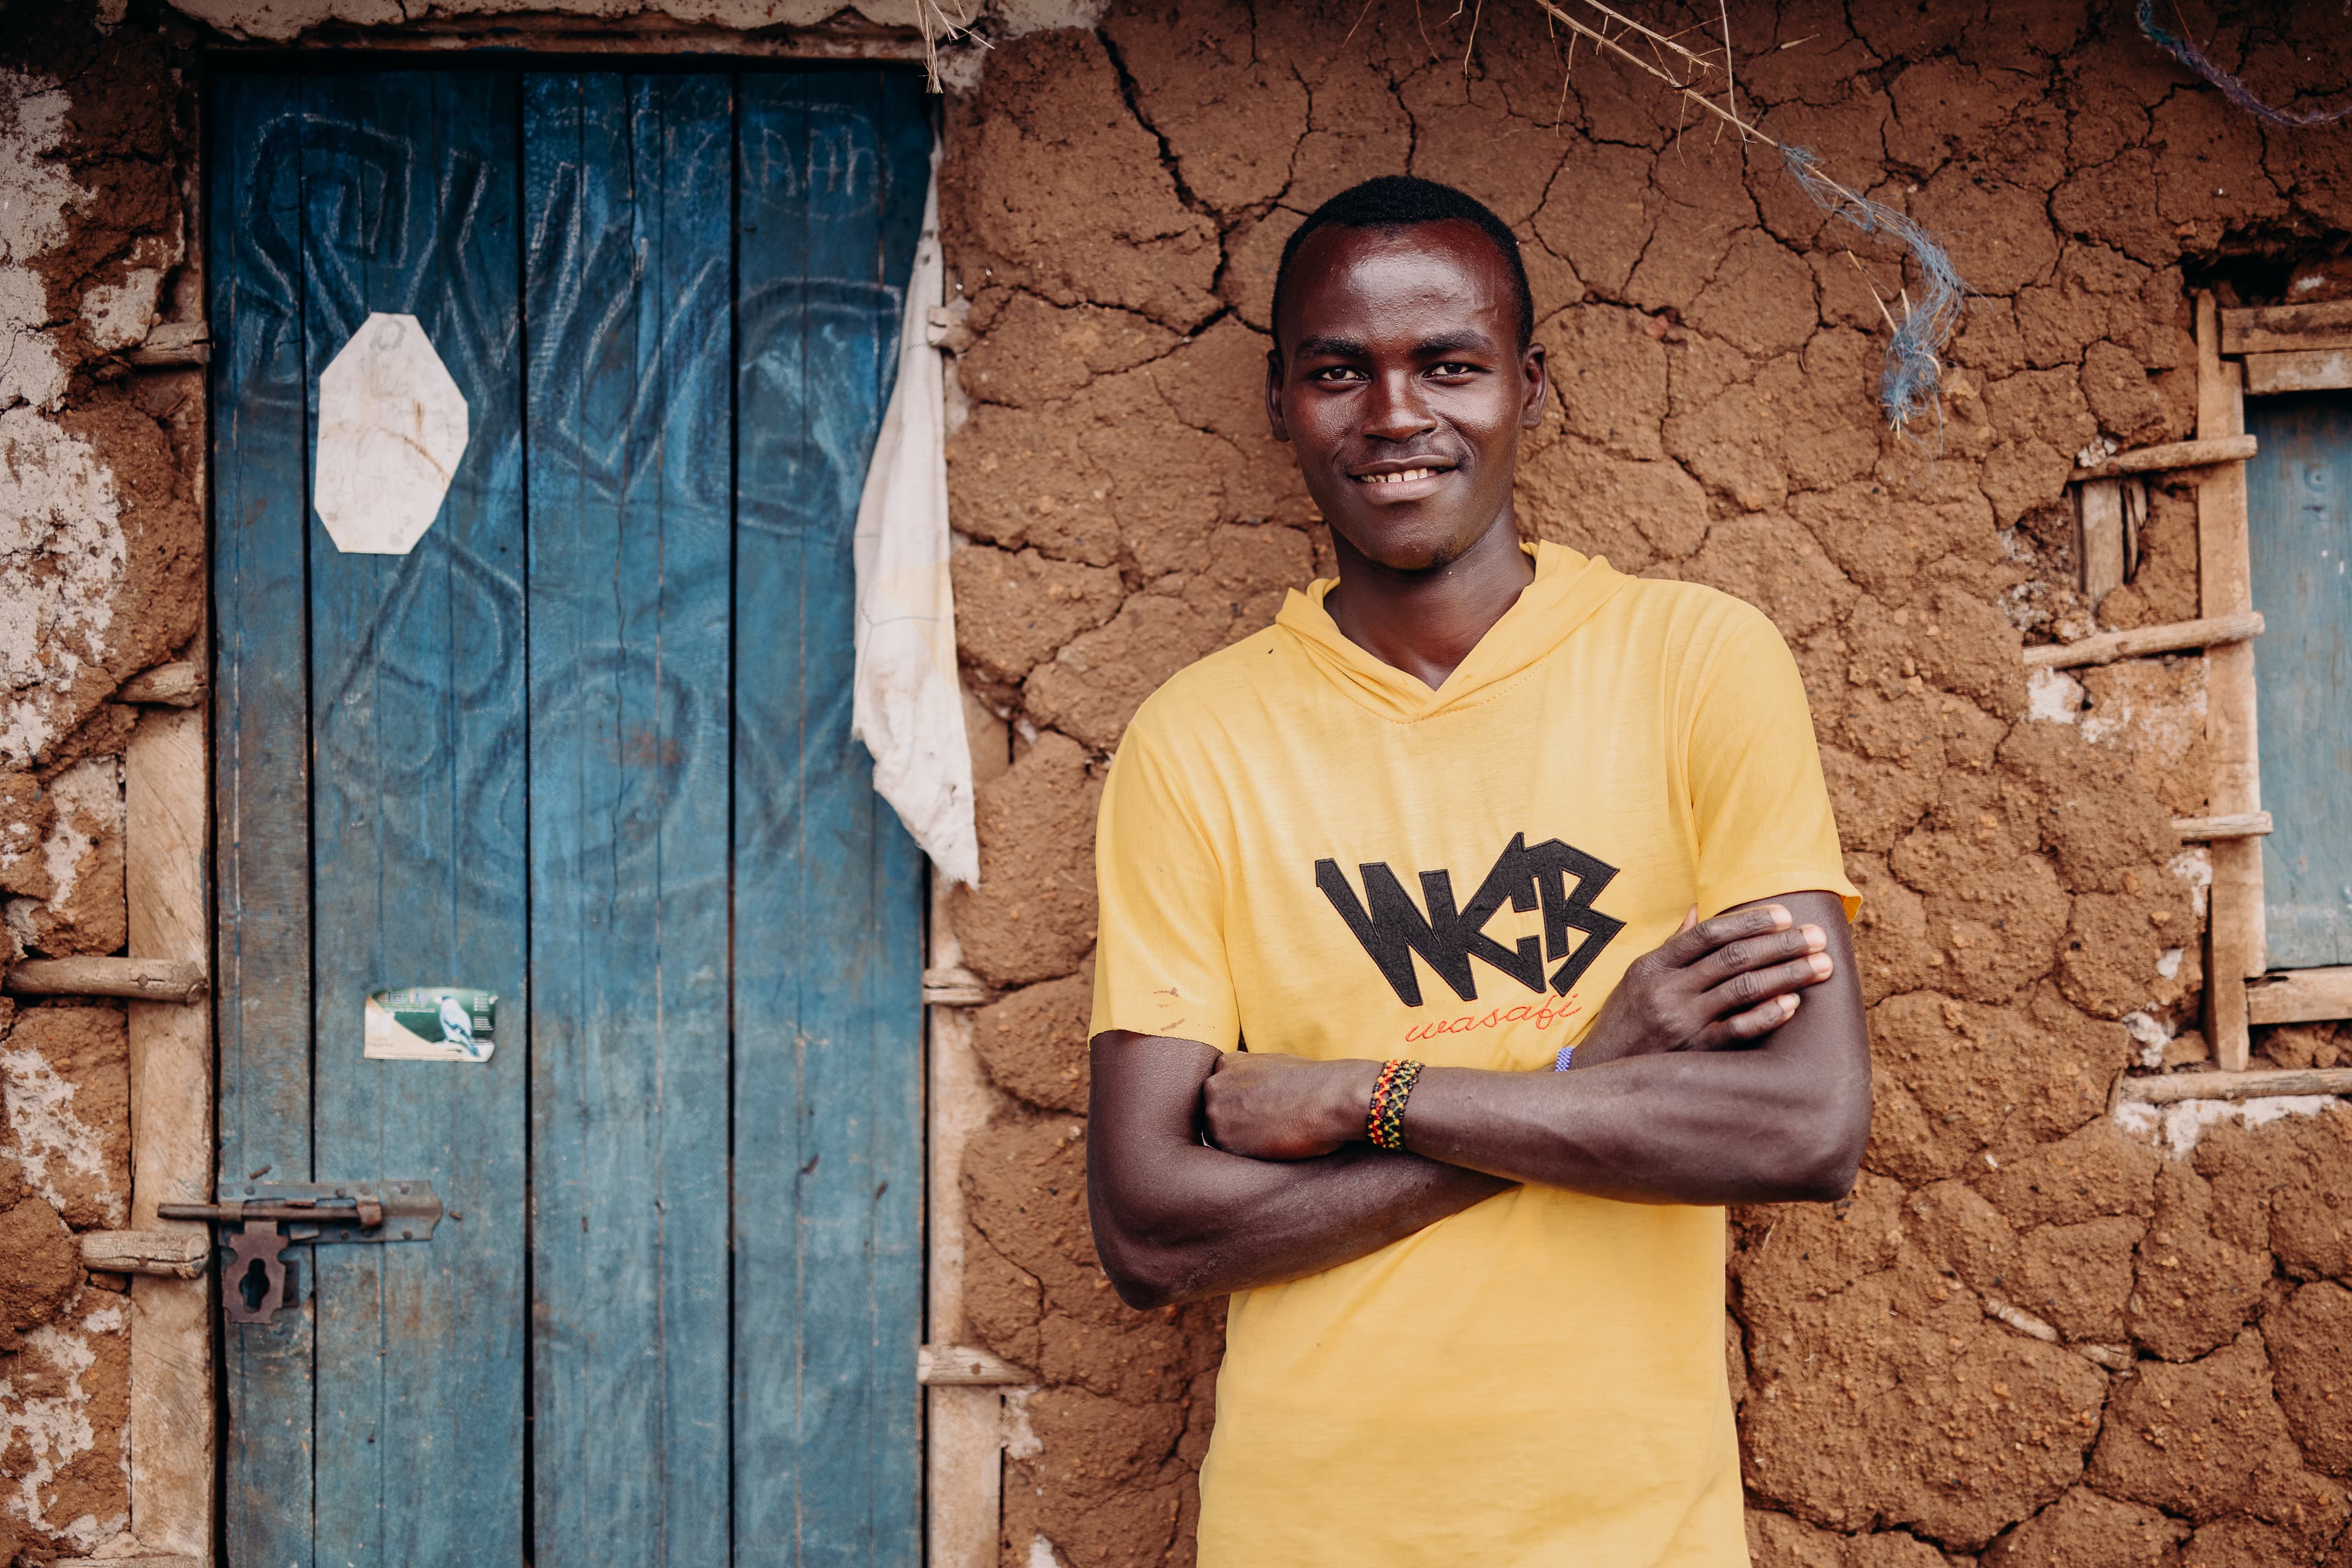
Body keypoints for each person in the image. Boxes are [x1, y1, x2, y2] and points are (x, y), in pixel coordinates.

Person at [1084, 175, 1873, 1567]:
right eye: (1340, 370)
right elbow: (1150, 1230)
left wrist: (1363, 1098)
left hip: (1634, 1534)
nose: (1396, 415)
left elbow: (1803, 1129)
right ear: (1281, 400)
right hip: (1306, 1529)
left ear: (1529, 384)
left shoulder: (1696, 666)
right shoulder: (1196, 740)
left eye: (1449, 362)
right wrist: (1580, 1080)